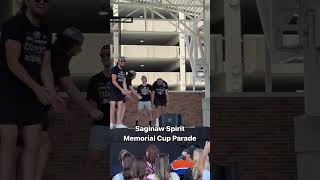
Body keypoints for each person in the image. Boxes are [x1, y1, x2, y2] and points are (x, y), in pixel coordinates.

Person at [0, 0, 61, 179]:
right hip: (9, 93)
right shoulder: (14, 24)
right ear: (27, 1)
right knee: (8, 148)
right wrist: (37, 88)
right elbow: (12, 61)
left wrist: (51, 92)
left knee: (33, 147)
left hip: (34, 96)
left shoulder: (46, 29)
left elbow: (45, 66)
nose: (42, 2)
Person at [35, 27, 104, 180]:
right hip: (33, 104)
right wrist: (90, 110)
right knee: (40, 145)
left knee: (36, 144)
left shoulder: (54, 54)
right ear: (73, 46)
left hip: (35, 102)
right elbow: (70, 87)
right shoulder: (58, 55)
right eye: (78, 47)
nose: (79, 51)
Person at [83, 45, 111, 180]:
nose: (105, 58)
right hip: (100, 125)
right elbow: (91, 103)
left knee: (123, 162)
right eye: (102, 55)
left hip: (119, 126)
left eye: (108, 54)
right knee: (91, 162)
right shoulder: (95, 80)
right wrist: (93, 112)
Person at [110, 57, 129, 129]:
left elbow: (124, 82)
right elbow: (113, 81)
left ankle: (118, 123)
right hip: (113, 90)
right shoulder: (114, 69)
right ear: (118, 62)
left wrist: (126, 90)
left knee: (120, 106)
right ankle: (111, 123)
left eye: (124, 61)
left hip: (121, 91)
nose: (122, 62)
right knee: (112, 106)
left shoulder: (124, 71)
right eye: (121, 61)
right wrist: (121, 89)